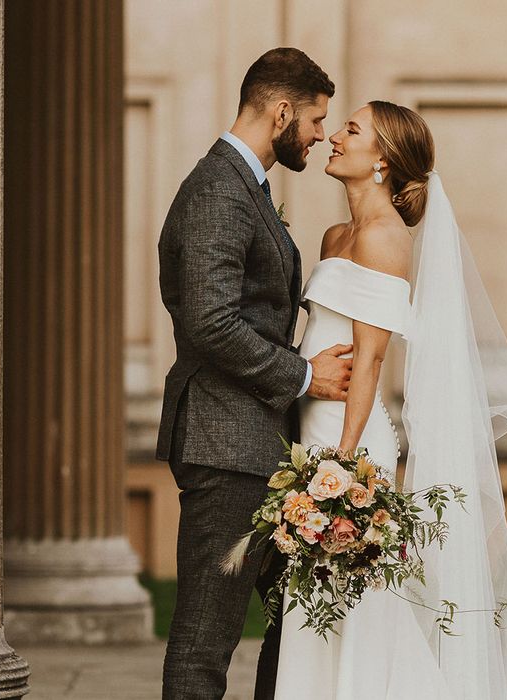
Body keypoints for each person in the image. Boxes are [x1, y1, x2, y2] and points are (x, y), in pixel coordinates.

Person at [273, 101, 507, 698]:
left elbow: (369, 360)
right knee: (313, 608)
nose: (334, 136)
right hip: (310, 432)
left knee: (360, 604)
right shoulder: (334, 235)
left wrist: (340, 465)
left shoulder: (388, 238)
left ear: (383, 162)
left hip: (349, 443)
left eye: (352, 130)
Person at [155, 48, 353, 699]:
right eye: (317, 120)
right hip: (224, 446)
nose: (321, 135)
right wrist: (304, 377)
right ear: (282, 110)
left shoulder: (242, 189)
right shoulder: (218, 191)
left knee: (295, 619)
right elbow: (212, 322)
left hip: (252, 444)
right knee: (205, 640)